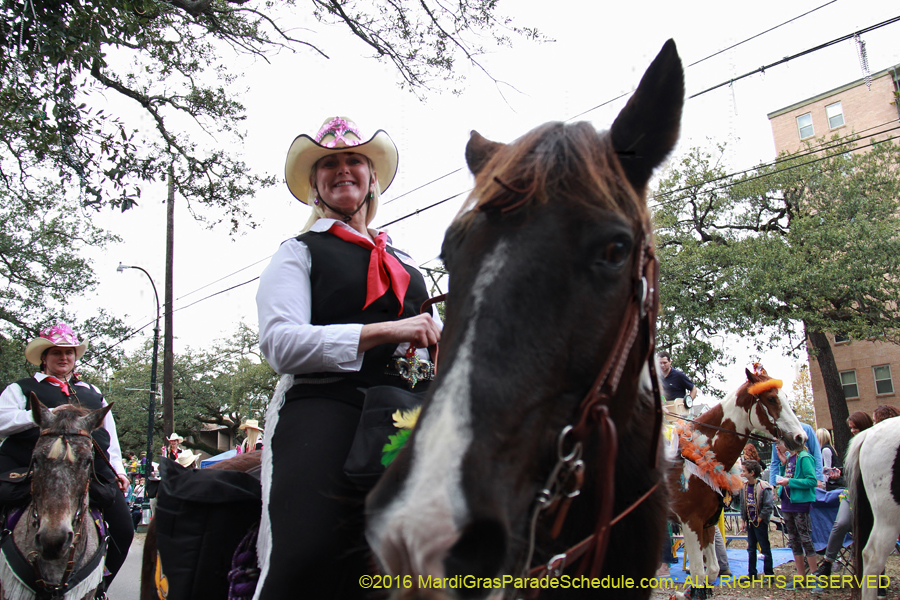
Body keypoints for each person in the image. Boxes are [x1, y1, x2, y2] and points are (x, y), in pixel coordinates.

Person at [255, 116, 441, 600]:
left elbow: (421, 345)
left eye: (354, 160)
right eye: (329, 164)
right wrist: (389, 330)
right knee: (307, 550)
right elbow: (280, 345)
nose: (343, 170)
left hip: (405, 415)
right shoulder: (298, 253)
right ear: (315, 183)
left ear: (371, 176)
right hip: (325, 404)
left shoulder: (407, 265)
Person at [0, 323, 134, 591]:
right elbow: (2, 421)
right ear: (44, 358)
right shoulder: (21, 389)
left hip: (89, 471)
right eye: (56, 353)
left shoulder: (93, 392)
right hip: (31, 470)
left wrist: (119, 470)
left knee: (124, 530)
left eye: (69, 353)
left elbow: (111, 437)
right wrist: (44, 413)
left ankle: (97, 588)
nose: (64, 358)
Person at [814, 411, 875, 577]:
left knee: (871, 531)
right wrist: (840, 474)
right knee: (840, 523)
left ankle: (876, 574)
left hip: (870, 494)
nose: (853, 431)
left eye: (856, 427)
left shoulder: (874, 443)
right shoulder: (852, 444)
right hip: (850, 493)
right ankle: (827, 562)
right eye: (851, 428)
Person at [775, 439, 819, 580]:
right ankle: (801, 576)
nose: (777, 446)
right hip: (787, 503)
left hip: (800, 504)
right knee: (793, 539)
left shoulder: (804, 457)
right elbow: (787, 475)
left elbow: (812, 481)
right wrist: (783, 464)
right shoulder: (790, 458)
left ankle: (815, 575)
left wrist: (790, 482)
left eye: (779, 442)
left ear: (789, 443)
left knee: (805, 538)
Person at [739, 460, 775, 580]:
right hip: (750, 521)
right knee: (751, 547)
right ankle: (752, 573)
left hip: (760, 523)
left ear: (752, 473)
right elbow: (743, 505)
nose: (742, 473)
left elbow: (768, 505)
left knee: (764, 547)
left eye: (744, 471)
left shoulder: (764, 487)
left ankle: (769, 574)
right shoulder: (744, 487)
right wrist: (743, 520)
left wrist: (761, 518)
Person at [770, 422, 823, 487]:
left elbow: (816, 453)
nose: (776, 446)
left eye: (777, 443)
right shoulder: (778, 432)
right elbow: (775, 462)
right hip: (791, 490)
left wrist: (819, 478)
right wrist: (772, 485)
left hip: (803, 487)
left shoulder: (804, 456)